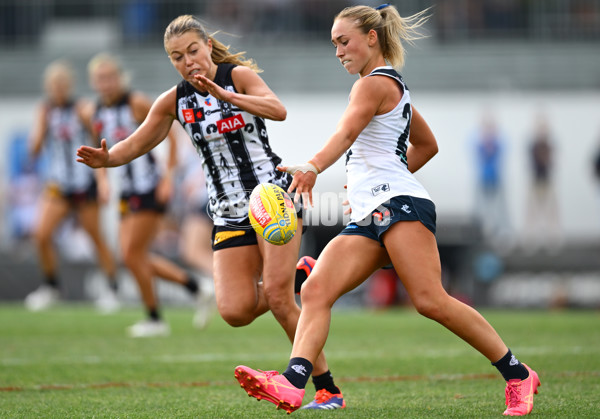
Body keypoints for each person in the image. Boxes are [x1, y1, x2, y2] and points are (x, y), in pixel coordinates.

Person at [233, 4, 540, 416]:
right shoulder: (391, 88)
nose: (338, 51)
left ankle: (518, 374)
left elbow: (346, 132)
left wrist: (313, 166)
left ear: (372, 38)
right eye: (333, 45)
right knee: (315, 290)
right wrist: (367, 185)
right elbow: (427, 146)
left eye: (344, 42)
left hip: (400, 205)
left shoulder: (373, 84)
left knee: (431, 301)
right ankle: (293, 383)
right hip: (373, 209)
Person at [77, 16, 344, 409]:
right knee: (234, 311)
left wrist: (229, 95)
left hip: (270, 199)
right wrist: (108, 159)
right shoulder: (174, 100)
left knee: (277, 297)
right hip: (226, 211)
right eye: (177, 57)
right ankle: (297, 275)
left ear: (207, 46)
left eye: (192, 51)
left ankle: (326, 389)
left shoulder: (238, 77)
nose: (188, 61)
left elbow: (277, 109)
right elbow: (137, 142)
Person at [84, 52, 213, 337]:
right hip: (126, 191)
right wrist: (103, 181)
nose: (105, 84)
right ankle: (195, 287)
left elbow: (171, 134)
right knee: (134, 255)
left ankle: (155, 318)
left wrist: (168, 177)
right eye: (99, 79)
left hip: (148, 187)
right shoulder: (96, 113)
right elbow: (99, 152)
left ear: (119, 78)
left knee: (131, 254)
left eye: (109, 78)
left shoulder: (136, 103)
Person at [24, 59, 120, 313]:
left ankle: (112, 288)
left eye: (62, 84)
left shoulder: (82, 109)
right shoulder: (45, 111)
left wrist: (101, 181)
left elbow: (98, 144)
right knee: (41, 234)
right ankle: (51, 285)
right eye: (54, 85)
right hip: (58, 185)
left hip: (83, 184)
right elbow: (33, 148)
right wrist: (38, 132)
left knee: (95, 238)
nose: (58, 89)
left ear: (69, 85)